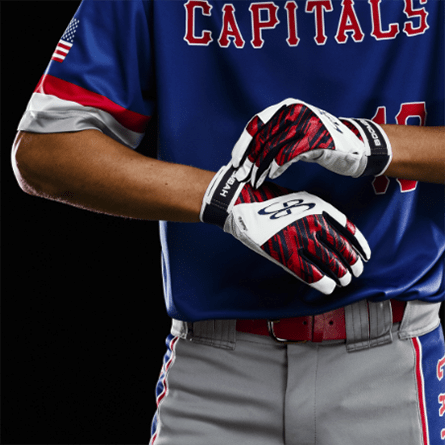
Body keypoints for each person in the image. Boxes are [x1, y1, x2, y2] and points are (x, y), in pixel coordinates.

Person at [12, 1, 444, 444]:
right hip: (214, 370)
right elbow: (45, 149)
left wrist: (369, 141)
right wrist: (226, 199)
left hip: (386, 360)